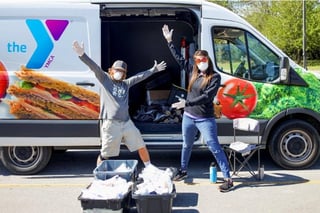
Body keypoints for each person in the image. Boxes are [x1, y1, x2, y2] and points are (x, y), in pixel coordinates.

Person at [162, 25, 233, 192]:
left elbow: (206, 97)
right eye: (198, 60)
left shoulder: (215, 77)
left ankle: (228, 179)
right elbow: (179, 59)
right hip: (189, 117)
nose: (201, 63)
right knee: (186, 145)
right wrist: (169, 42)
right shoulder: (193, 72)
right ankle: (183, 170)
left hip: (205, 118)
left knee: (213, 145)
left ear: (208, 60)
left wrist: (185, 103)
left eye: (203, 60)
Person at [72, 41, 167, 167]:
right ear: (111, 70)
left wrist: (153, 70)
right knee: (105, 154)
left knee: (141, 145)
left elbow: (140, 77)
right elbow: (94, 67)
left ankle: (149, 168)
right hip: (111, 124)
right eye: (117, 70)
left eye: (122, 71)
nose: (119, 73)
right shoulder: (105, 79)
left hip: (127, 122)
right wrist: (82, 55)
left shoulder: (125, 84)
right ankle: (99, 176)